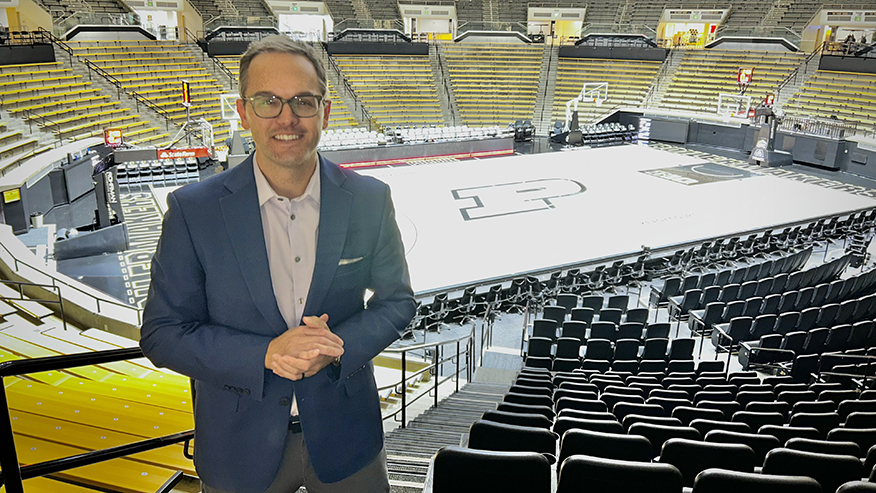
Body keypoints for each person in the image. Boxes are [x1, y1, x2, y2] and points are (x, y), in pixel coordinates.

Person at [140, 35, 416, 493]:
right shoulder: (194, 211)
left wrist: (337, 345)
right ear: (243, 111)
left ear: (325, 112)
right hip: (239, 447)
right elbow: (162, 333)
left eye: (303, 101)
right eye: (268, 101)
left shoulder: (369, 200)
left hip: (347, 437)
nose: (287, 118)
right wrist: (267, 354)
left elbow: (397, 302)